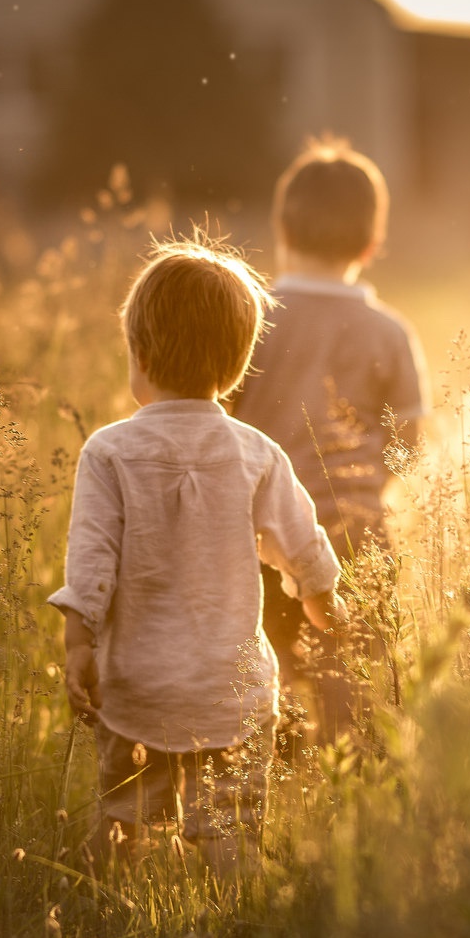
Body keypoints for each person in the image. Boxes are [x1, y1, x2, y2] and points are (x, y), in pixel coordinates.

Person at [49, 242, 342, 877]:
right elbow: (304, 543)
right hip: (228, 689)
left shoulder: (108, 453)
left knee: (124, 825)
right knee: (229, 831)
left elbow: (91, 562)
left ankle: (108, 916)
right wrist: (322, 601)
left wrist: (79, 643)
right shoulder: (257, 454)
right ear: (234, 368)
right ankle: (237, 927)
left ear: (141, 357)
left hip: (136, 684)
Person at [230, 141, 429, 745]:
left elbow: (216, 415)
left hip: (255, 534)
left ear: (283, 230)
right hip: (356, 532)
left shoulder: (250, 315)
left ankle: (276, 773)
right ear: (371, 245)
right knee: (354, 683)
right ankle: (349, 792)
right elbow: (409, 442)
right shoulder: (389, 332)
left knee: (265, 674)